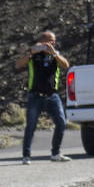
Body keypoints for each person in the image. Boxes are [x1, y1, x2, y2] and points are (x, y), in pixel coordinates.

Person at [19, 31, 71, 164]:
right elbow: (19, 64)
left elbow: (66, 65)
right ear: (42, 41)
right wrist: (31, 52)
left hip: (52, 95)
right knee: (31, 126)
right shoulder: (33, 54)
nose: (52, 43)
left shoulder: (55, 55)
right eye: (49, 40)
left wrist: (54, 53)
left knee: (61, 123)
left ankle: (55, 153)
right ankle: (26, 155)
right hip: (35, 95)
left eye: (53, 41)